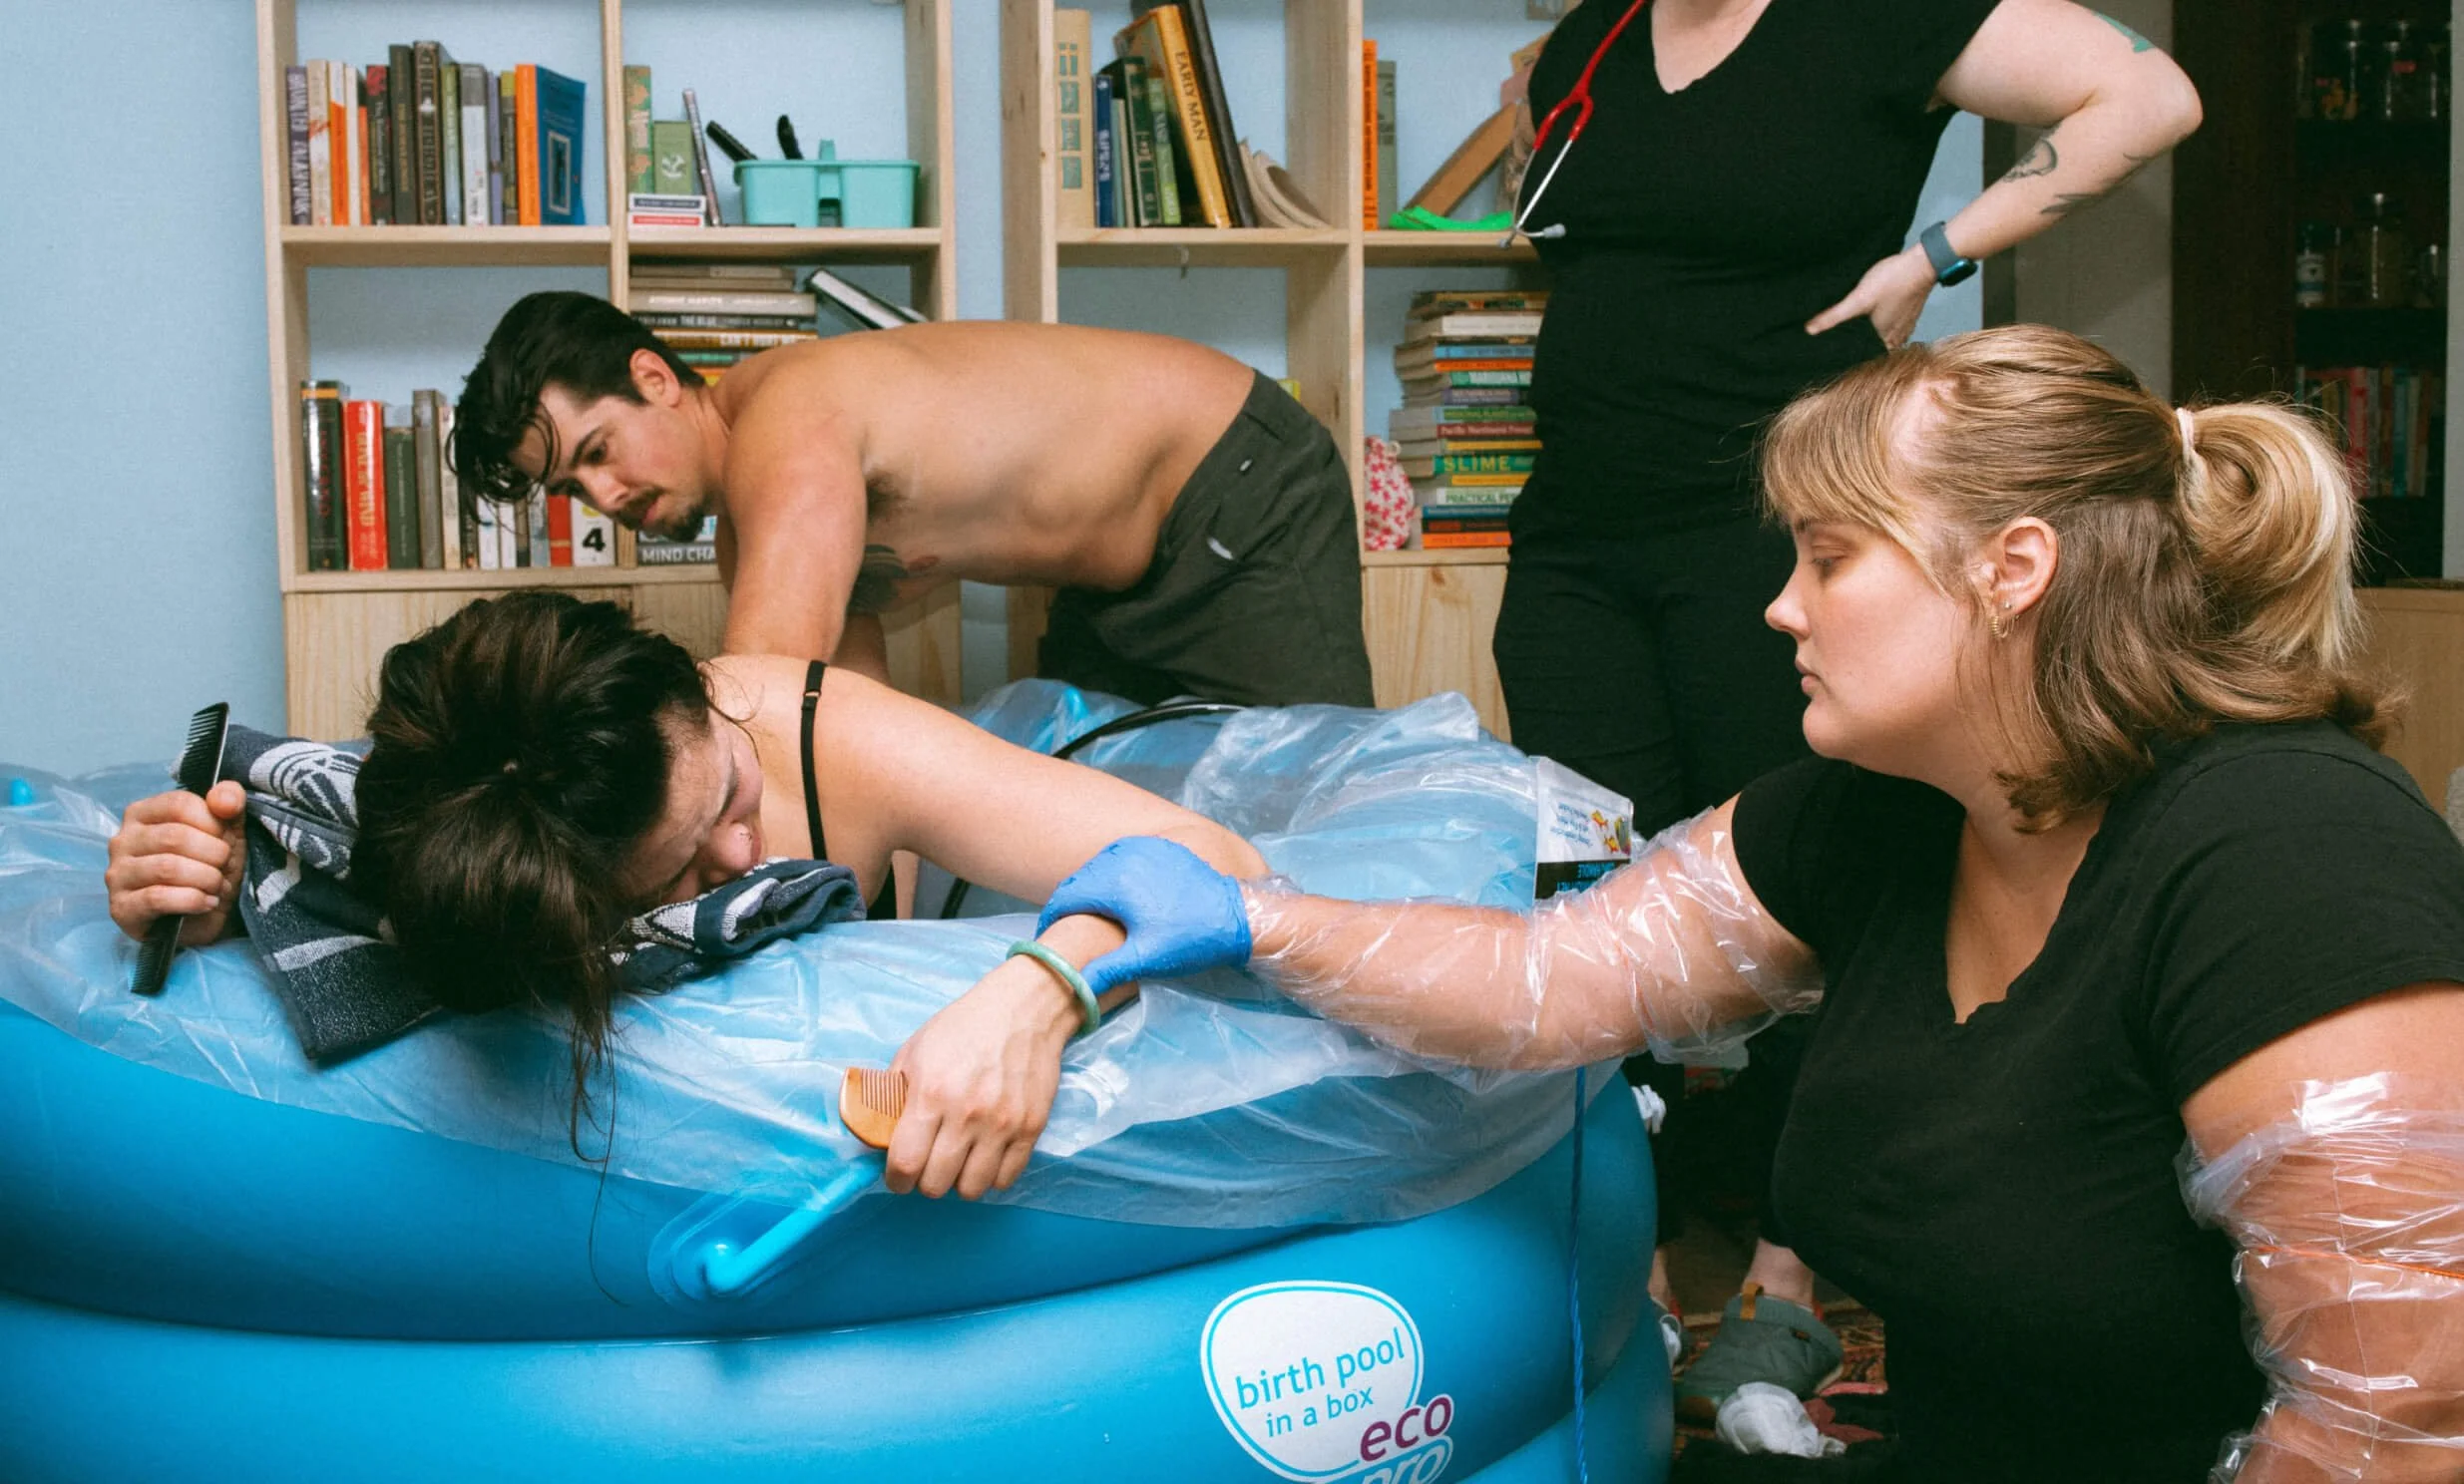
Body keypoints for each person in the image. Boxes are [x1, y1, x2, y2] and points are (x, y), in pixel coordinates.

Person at [1031, 326, 2464, 1480]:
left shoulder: (2285, 850)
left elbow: (2391, 1426)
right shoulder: (1881, 812)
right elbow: (1552, 983)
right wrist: (1256, 917)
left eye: (1829, 557)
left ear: (2011, 569)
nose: (1778, 607)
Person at [1492, 0, 2204, 1403]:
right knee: (1591, 899)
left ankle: (1784, 1283)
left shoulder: (1872, 18)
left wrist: (1936, 255)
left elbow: (2150, 98)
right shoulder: (1586, 41)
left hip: (1777, 538)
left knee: (1816, 890)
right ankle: (1626, 1277)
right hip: (1575, 531)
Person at [102, 590, 1266, 1204]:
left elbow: (1216, 860)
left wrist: (1041, 991)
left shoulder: (809, 733)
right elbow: (332, 880)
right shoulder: (473, 826)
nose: (748, 844)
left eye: (728, 788)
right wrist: (211, 900)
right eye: (687, 867)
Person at [449, 293, 1375, 708]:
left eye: (598, 453)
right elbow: (845, 738)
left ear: (654, 377)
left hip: (1237, 491)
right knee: (1123, 846)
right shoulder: (756, 537)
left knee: (1329, 822)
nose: (605, 495)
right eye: (574, 487)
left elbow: (758, 700)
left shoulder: (785, 422)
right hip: (1112, 589)